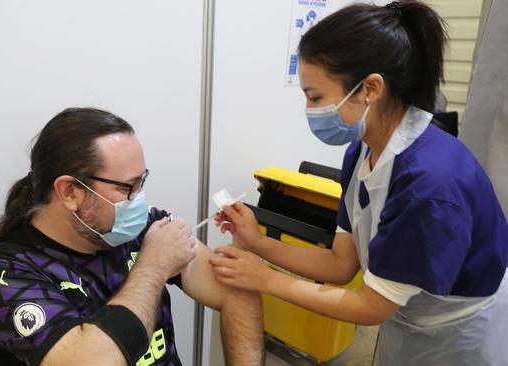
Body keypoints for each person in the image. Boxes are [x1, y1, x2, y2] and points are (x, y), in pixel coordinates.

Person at [208, 1, 508, 365]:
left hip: (459, 334)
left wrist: (266, 279)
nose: (309, 109)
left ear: (370, 88)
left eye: (315, 96)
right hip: (407, 319)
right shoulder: (363, 152)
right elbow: (340, 264)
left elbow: (371, 307)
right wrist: (257, 241)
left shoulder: (429, 187)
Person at [0, 108, 263, 366]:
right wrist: (153, 267)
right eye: (127, 188)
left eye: (141, 183)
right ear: (71, 192)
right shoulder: (6, 276)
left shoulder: (145, 228)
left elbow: (236, 289)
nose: (138, 201)